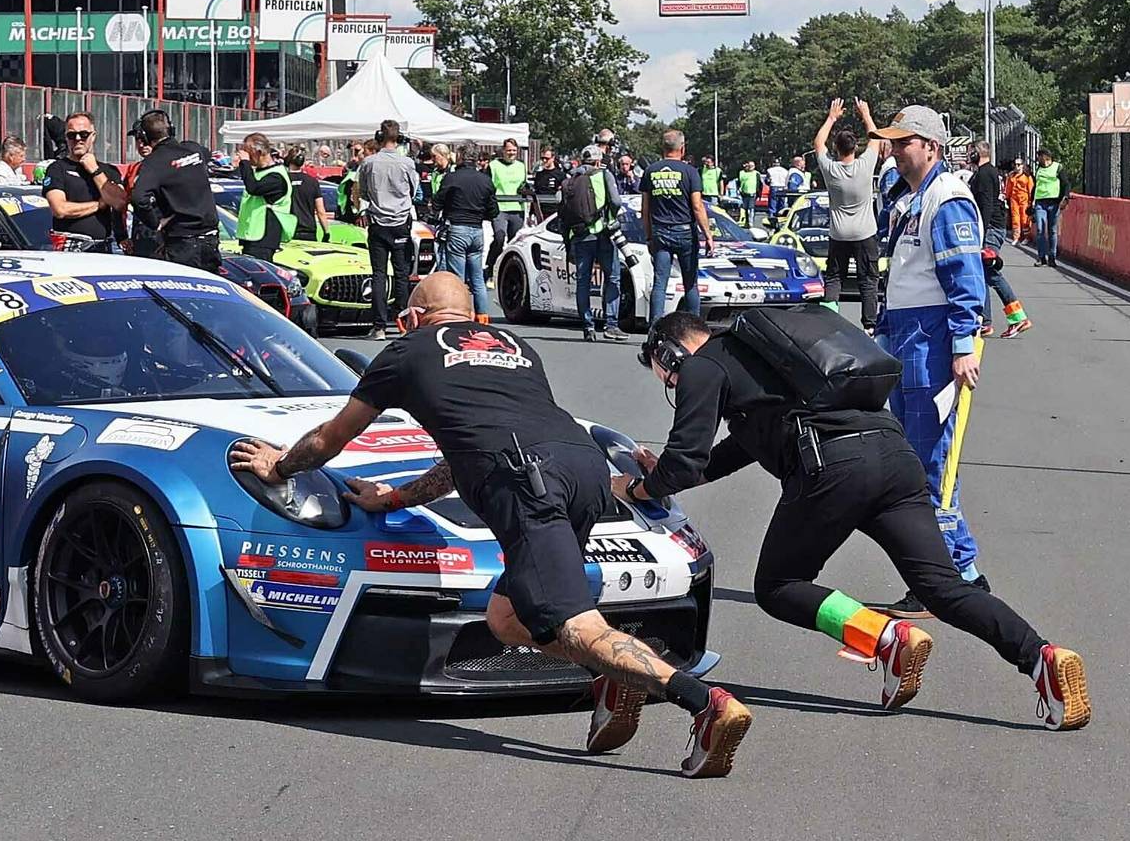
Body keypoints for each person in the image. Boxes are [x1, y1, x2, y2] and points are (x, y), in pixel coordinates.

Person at [231, 274, 753, 778]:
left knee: (577, 623)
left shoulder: (407, 351)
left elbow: (331, 437)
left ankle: (706, 703)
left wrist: (277, 467)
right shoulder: (512, 344)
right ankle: (614, 676)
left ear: (414, 316)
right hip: (584, 469)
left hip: (529, 483)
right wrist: (393, 498)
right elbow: (464, 455)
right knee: (507, 617)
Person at [627, 313, 1089, 730]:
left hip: (835, 469)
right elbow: (740, 446)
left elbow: (685, 462)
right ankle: (1041, 658)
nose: (673, 384)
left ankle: (885, 637)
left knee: (778, 585)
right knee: (944, 588)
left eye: (667, 377)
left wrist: (634, 489)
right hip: (892, 454)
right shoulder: (763, 351)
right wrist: (666, 471)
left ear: (672, 353)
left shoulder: (703, 365)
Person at [868, 105, 989, 608]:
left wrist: (962, 346)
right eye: (891, 143)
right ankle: (958, 570)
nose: (894, 152)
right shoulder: (911, 198)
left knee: (928, 463)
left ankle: (949, 574)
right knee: (917, 459)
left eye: (903, 143)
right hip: (907, 335)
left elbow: (965, 278)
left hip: (932, 340)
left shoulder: (947, 198)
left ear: (931, 147)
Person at [125, 111, 219, 271]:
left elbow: (139, 198)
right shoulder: (193, 149)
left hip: (183, 243)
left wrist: (155, 224)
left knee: (182, 293)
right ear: (172, 130)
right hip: (210, 240)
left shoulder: (155, 161)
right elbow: (207, 154)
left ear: (145, 138)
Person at [818, 100, 882, 330]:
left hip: (839, 233)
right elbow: (875, 139)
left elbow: (817, 143)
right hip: (865, 232)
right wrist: (866, 113)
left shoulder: (830, 169)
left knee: (834, 277)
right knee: (868, 280)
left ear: (836, 148)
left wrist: (832, 117)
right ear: (855, 148)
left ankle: (827, 321)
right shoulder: (865, 166)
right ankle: (870, 326)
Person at [642, 129, 714, 326]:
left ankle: (654, 329)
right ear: (682, 149)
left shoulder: (651, 171)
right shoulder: (690, 172)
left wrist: (649, 236)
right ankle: (694, 329)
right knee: (690, 283)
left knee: (660, 283)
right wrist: (708, 235)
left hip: (660, 231)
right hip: (684, 232)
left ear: (663, 148)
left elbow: (645, 209)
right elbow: (697, 206)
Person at [356, 120, 422, 332]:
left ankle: (379, 326)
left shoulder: (369, 163)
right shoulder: (407, 163)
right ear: (399, 138)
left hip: (378, 222)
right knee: (401, 273)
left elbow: (363, 192)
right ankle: (401, 320)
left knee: (379, 274)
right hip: (401, 221)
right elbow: (414, 190)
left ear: (379, 137)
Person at [563, 145, 625, 341]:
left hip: (580, 236)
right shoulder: (604, 175)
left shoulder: (571, 180)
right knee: (612, 277)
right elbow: (616, 201)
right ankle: (611, 324)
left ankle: (588, 326)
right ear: (599, 161)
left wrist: (568, 243)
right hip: (603, 235)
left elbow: (562, 213)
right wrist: (611, 218)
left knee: (583, 281)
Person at [968, 146, 1031, 337]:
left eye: (971, 151)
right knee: (983, 273)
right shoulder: (989, 172)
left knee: (990, 272)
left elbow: (986, 205)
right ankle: (985, 322)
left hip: (991, 229)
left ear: (978, 153)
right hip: (993, 227)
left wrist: (981, 231)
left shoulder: (986, 174)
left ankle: (1018, 318)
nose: (969, 154)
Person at [41, 112, 127, 249]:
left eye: (84, 134)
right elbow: (60, 209)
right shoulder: (57, 169)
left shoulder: (109, 170)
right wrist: (99, 205)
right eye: (71, 135)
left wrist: (95, 171)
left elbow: (120, 203)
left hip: (102, 247)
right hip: (70, 246)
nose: (78, 138)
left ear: (93, 136)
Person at [431, 142, 498, 316]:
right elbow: (493, 211)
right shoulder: (486, 181)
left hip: (457, 227)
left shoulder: (452, 178)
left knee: (457, 279)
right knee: (477, 279)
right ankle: (482, 317)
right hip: (477, 230)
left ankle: (459, 315)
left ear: (460, 157)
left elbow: (437, 203)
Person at [234, 133, 294, 265]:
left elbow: (253, 188)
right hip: (252, 235)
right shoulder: (260, 172)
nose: (247, 157)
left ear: (258, 152)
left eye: (248, 152)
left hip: (264, 237)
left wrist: (245, 163)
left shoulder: (276, 176)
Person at [488, 138, 531, 257]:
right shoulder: (494, 165)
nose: (511, 153)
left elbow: (524, 183)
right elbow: (488, 186)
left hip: (517, 207)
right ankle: (492, 264)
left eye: (514, 150)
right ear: (503, 150)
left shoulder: (521, 165)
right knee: (499, 237)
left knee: (514, 241)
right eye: (509, 150)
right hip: (500, 207)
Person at [284, 144, 331, 243]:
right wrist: (326, 232)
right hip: (308, 230)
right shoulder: (312, 182)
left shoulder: (281, 180)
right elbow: (320, 211)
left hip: (286, 230)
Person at [1031, 148, 1063, 266]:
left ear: (1044, 157)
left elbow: (1065, 183)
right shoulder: (1038, 169)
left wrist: (1064, 198)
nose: (1037, 159)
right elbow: (1036, 185)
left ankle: (1052, 256)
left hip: (1054, 203)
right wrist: (1031, 202)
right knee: (1040, 229)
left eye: (1039, 157)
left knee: (1052, 231)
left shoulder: (1058, 167)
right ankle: (1041, 257)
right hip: (1040, 202)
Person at [530, 145, 566, 218]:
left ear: (553, 158)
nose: (544, 161)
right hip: (540, 211)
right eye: (542, 158)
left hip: (555, 213)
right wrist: (532, 212)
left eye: (547, 158)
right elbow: (535, 193)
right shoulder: (539, 175)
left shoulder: (560, 175)